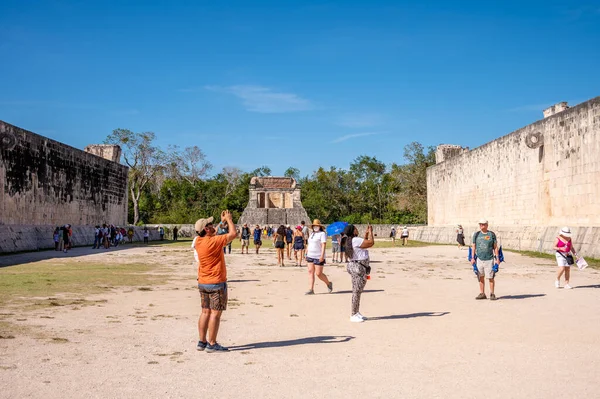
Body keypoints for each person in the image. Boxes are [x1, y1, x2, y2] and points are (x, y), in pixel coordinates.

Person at [195, 211, 237, 353]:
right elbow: (233, 234)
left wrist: (221, 222)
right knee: (215, 314)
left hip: (203, 282)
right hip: (216, 282)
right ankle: (212, 343)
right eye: (210, 225)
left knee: (205, 312)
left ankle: (202, 341)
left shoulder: (199, 241)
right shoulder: (214, 242)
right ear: (206, 229)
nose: (214, 226)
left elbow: (213, 233)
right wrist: (230, 220)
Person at [343, 224, 375, 322]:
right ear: (353, 231)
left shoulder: (351, 240)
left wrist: (365, 235)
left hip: (356, 266)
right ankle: (353, 314)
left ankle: (356, 312)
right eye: (356, 229)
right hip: (358, 267)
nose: (357, 230)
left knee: (358, 290)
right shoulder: (355, 240)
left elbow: (363, 245)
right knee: (356, 291)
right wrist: (371, 232)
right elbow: (370, 243)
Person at [471, 219, 499, 300]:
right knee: (480, 276)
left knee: (491, 277)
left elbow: (495, 247)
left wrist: (497, 258)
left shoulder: (491, 234)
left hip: (489, 259)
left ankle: (492, 293)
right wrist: (472, 258)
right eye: (480, 224)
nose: (481, 226)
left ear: (487, 225)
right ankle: (482, 293)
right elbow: (473, 246)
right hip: (479, 259)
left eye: (483, 224)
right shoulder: (476, 235)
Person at [305, 219, 333, 295]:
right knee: (310, 272)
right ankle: (311, 289)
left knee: (318, 274)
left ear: (319, 226)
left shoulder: (322, 234)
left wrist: (322, 255)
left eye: (317, 225)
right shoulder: (312, 234)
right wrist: (306, 253)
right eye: (314, 226)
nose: (315, 227)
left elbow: (323, 245)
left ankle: (328, 283)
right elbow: (309, 244)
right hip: (310, 255)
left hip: (318, 256)